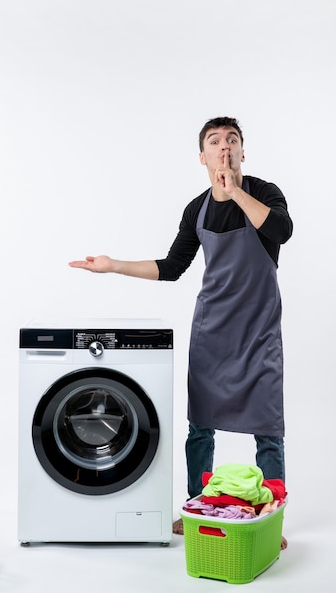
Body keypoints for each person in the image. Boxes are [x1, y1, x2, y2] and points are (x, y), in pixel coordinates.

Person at [69, 116, 293, 548]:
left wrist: (236, 193)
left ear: (243, 152)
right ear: (202, 157)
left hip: (260, 332)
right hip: (213, 333)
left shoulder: (264, 194)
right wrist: (113, 265)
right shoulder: (197, 210)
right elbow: (172, 269)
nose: (224, 147)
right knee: (200, 428)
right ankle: (198, 510)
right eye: (215, 141)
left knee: (269, 430)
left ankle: (269, 519)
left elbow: (282, 231)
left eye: (232, 140)